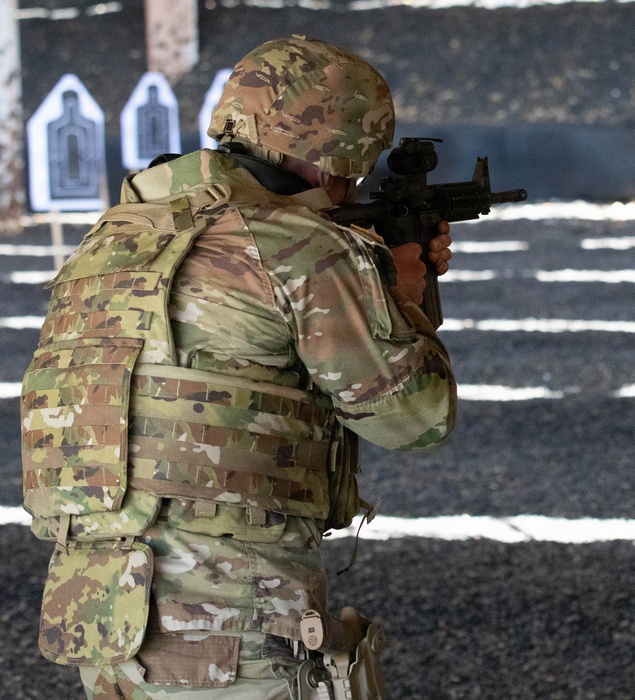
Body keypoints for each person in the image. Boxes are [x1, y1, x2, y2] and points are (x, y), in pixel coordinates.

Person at [20, 35, 457, 699]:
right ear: (343, 151)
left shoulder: (110, 239)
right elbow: (416, 417)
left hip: (103, 611)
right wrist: (398, 295)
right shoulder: (302, 248)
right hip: (231, 624)